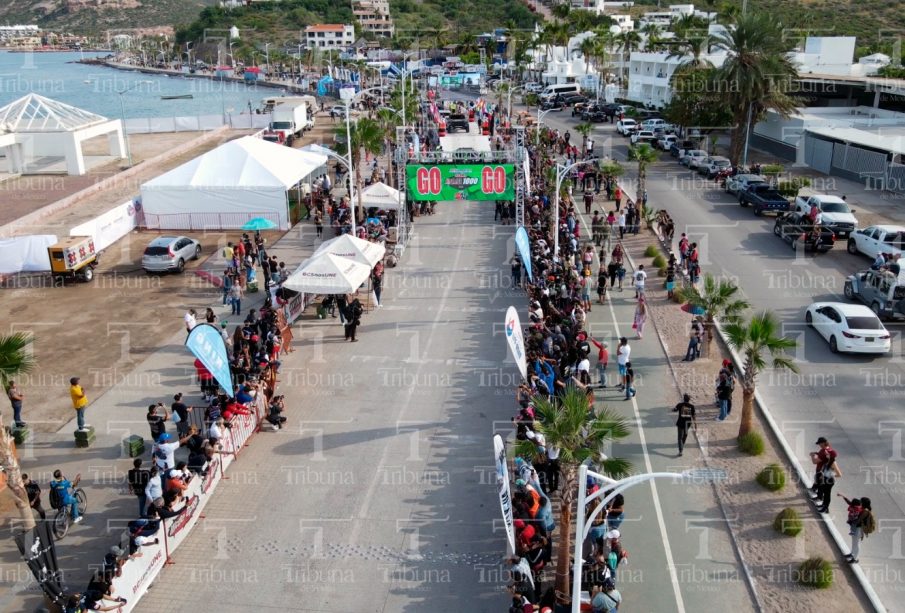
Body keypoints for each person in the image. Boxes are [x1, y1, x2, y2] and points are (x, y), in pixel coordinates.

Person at [839, 495, 874, 563]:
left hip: (859, 528)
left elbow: (859, 519)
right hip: (856, 527)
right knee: (854, 541)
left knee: (857, 543)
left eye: (861, 501)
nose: (860, 502)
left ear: (864, 503)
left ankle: (855, 558)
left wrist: (852, 520)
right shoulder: (861, 508)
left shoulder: (865, 511)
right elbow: (852, 504)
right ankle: (852, 554)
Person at [810, 437, 841, 513]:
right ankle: (823, 505)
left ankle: (826, 508)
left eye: (827, 454)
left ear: (830, 456)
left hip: (829, 481)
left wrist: (830, 477)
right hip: (826, 479)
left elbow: (839, 474)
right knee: (824, 493)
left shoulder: (833, 463)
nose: (826, 453)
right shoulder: (828, 462)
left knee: (827, 495)